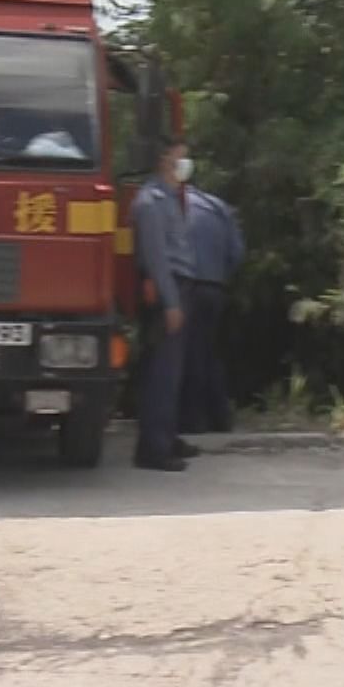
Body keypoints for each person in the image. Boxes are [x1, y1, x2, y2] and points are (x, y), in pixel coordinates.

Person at [130, 137, 202, 471]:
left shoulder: (172, 198)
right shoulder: (150, 202)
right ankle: (153, 449)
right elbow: (157, 259)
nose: (185, 164)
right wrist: (172, 303)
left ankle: (167, 436)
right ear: (163, 160)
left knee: (173, 371)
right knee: (162, 371)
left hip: (180, 286)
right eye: (179, 157)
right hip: (165, 291)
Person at [179, 179, 244, 434]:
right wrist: (220, 276)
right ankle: (221, 417)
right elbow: (237, 252)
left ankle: (192, 420)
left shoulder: (176, 206)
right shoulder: (218, 207)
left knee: (189, 353)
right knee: (208, 352)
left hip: (188, 286)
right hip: (215, 288)